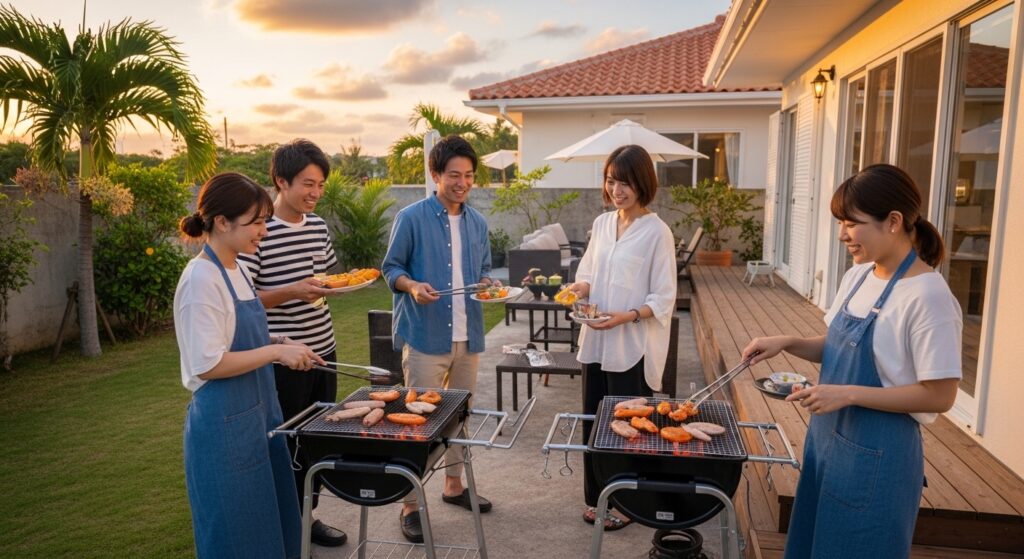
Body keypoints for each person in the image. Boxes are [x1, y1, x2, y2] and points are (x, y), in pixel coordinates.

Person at [741, 164, 962, 557]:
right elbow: (841, 345)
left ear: (893, 222)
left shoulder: (929, 297)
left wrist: (849, 394)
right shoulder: (858, 276)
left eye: (851, 223)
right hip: (828, 447)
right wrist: (788, 342)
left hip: (878, 460)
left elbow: (940, 395)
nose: (842, 234)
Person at [174, 172, 325, 558]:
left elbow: (237, 336)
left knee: (271, 527)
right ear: (222, 222)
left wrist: (280, 340)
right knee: (236, 536)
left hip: (260, 420)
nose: (265, 231)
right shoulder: (200, 280)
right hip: (225, 431)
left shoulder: (238, 267)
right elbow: (208, 363)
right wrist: (275, 354)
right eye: (257, 223)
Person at [381, 135, 499, 543]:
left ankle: (454, 486)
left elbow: (484, 272)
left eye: (468, 176)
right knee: (419, 420)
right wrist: (412, 286)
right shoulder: (411, 217)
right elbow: (390, 268)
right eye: (454, 175)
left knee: (461, 416)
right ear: (435, 175)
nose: (462, 182)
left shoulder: (478, 223)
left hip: (468, 338)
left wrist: (487, 284)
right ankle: (409, 504)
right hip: (426, 335)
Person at [236, 139, 347, 547]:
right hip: (283, 359)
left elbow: (326, 280)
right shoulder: (258, 231)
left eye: (320, 185)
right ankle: (287, 524)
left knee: (318, 440)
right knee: (288, 445)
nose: (315, 193)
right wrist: (290, 291)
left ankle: (309, 518)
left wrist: (330, 287)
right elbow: (245, 300)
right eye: (307, 184)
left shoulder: (317, 226)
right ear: (281, 181)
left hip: (324, 349)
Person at [564, 144, 677, 531]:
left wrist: (625, 316)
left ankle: (629, 502)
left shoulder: (657, 233)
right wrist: (578, 289)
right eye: (611, 180)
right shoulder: (601, 224)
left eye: (625, 182)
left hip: (631, 346)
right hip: (596, 341)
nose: (617, 189)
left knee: (630, 428)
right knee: (594, 421)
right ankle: (596, 498)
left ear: (643, 184)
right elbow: (590, 272)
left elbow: (664, 298)